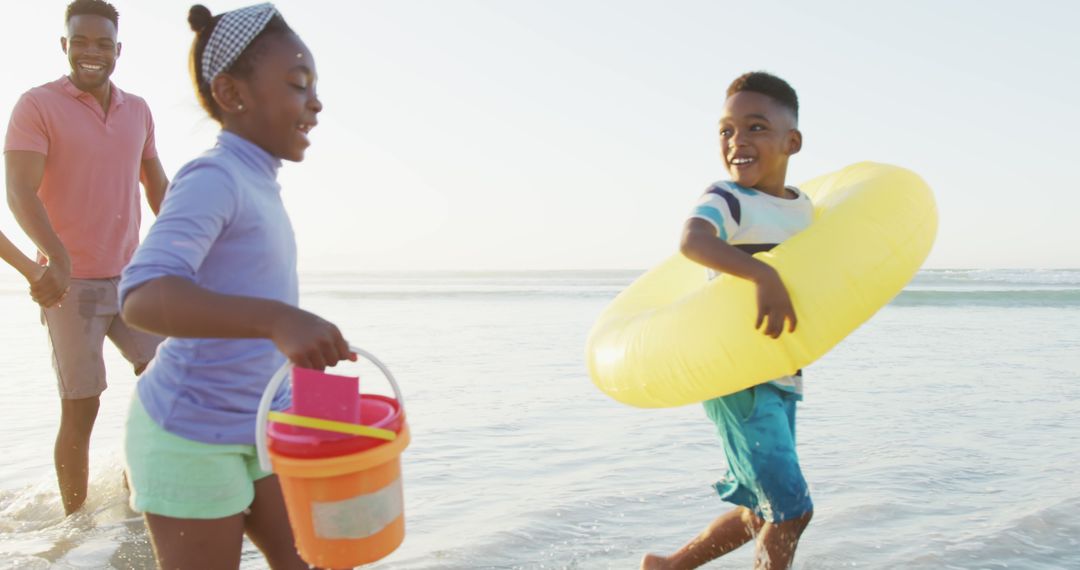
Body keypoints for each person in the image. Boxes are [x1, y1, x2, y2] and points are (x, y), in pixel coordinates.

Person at [119, 4, 354, 568]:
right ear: (231, 93)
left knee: (311, 560)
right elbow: (142, 295)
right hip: (189, 432)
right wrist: (277, 320)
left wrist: (322, 400)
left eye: (314, 87)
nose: (315, 103)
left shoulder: (260, 181)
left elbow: (247, 312)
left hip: (262, 419)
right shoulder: (214, 177)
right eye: (298, 85)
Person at [642, 72, 814, 570]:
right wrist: (762, 273)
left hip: (782, 372)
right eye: (726, 131)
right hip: (736, 373)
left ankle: (667, 567)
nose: (737, 141)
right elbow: (694, 240)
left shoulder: (804, 209)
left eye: (756, 127)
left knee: (761, 511)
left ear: (791, 141)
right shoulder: (727, 197)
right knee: (792, 510)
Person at [3, 0, 168, 515]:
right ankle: (74, 527)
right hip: (70, 288)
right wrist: (55, 258)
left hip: (134, 280)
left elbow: (156, 182)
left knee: (167, 380)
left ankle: (135, 488)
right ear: (64, 45)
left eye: (102, 43)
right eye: (80, 41)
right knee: (83, 406)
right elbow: (20, 193)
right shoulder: (37, 106)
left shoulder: (138, 109)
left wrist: (189, 241)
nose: (91, 53)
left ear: (117, 51)